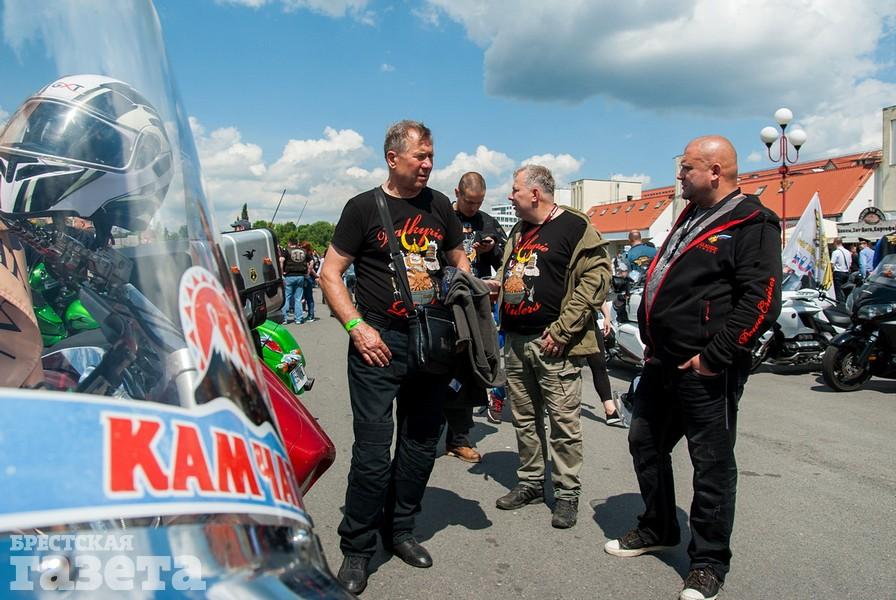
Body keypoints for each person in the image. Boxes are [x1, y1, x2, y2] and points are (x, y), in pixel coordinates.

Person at [604, 136, 782, 600]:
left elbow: (761, 301)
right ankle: (658, 526)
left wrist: (714, 356)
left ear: (715, 171)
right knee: (644, 442)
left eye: (686, 168)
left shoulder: (753, 222)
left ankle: (708, 562)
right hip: (662, 360)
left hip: (706, 368)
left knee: (712, 466)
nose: (679, 175)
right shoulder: (693, 213)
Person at [318, 120, 470, 595]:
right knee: (371, 452)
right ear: (392, 158)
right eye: (420, 156)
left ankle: (400, 529)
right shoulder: (363, 207)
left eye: (431, 156)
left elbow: (458, 258)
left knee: (421, 443)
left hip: (432, 342)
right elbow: (329, 273)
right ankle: (357, 548)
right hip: (378, 343)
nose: (428, 164)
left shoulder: (439, 205)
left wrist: (460, 290)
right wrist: (356, 327)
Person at [485, 164, 611, 529]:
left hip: (555, 344)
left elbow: (596, 281)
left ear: (535, 193)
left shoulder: (575, 226)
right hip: (516, 340)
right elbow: (514, 273)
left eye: (515, 190)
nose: (510, 196)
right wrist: (495, 286)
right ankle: (531, 483)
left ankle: (567, 493)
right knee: (524, 419)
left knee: (563, 423)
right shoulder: (519, 230)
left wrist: (562, 330)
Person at [443, 172, 508, 463]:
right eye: (469, 202)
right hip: (442, 304)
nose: (473, 208)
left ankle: (458, 438)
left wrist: (492, 249)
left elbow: (504, 261)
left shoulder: (488, 222)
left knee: (468, 369)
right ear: (457, 193)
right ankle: (425, 433)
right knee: (434, 370)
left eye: (479, 202)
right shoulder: (442, 216)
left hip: (472, 308)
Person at [587, 301, 623, 425]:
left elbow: (599, 295)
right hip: (566, 323)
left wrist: (607, 317)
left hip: (589, 323)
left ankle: (610, 409)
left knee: (599, 364)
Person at [279, 238, 310, 323]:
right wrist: (307, 273)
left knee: (287, 297)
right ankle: (298, 319)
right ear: (297, 243)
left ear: (289, 243)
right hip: (300, 276)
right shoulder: (303, 251)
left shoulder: (286, 251)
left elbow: (281, 260)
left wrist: (282, 272)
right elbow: (311, 262)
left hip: (289, 275)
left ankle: (284, 318)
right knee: (298, 298)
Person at [830, 237, 851, 302]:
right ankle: (846, 302)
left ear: (835, 243)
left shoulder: (835, 252)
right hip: (846, 272)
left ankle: (840, 304)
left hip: (838, 273)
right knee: (845, 290)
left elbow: (832, 264)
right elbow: (850, 263)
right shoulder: (848, 252)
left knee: (838, 291)